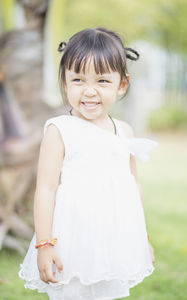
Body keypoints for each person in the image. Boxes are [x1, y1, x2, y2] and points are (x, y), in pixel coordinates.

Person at [19, 27, 158, 300]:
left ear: (122, 84)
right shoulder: (59, 130)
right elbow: (45, 190)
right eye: (78, 79)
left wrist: (143, 240)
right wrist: (44, 245)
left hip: (112, 237)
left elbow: (133, 187)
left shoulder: (124, 131)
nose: (89, 91)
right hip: (73, 236)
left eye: (103, 81)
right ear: (65, 82)